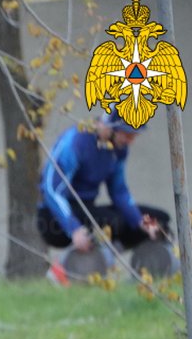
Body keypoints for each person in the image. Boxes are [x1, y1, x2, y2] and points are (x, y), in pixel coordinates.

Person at [38, 111, 171, 282]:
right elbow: (51, 190)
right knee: (113, 221)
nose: (131, 141)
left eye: (134, 135)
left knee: (158, 219)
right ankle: (61, 269)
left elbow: (119, 192)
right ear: (108, 127)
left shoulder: (118, 150)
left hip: (86, 209)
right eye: (127, 134)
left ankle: (136, 272)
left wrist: (142, 223)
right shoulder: (76, 141)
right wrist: (74, 228)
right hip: (54, 217)